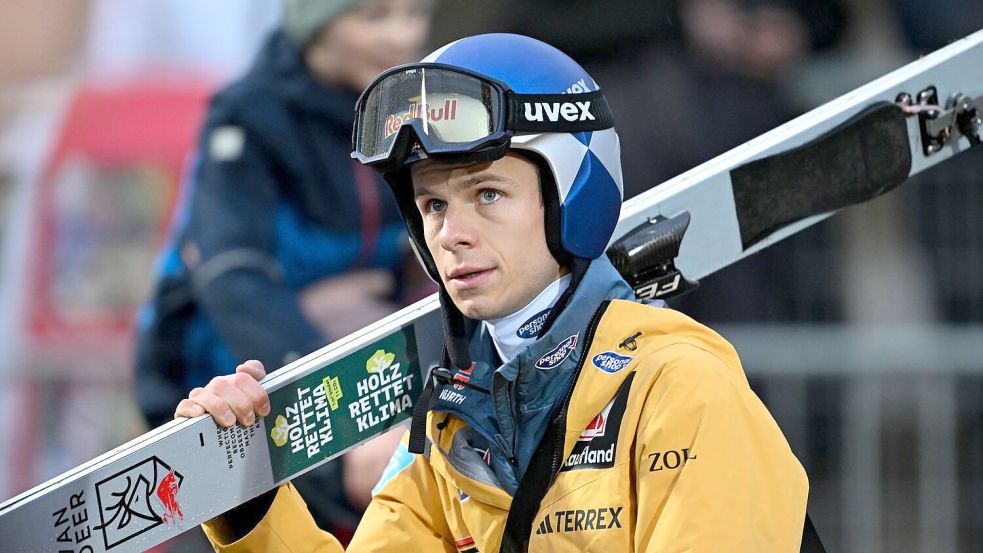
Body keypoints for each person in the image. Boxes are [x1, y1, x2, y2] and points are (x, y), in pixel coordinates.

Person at [176, 33, 809, 551]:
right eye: (432, 204)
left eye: (487, 194)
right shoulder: (448, 430)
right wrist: (249, 501)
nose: (452, 234)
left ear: (571, 193)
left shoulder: (679, 389)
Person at [137, 0, 434, 540]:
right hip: (224, 386)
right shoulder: (246, 118)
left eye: (415, 13)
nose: (402, 36)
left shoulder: (410, 112)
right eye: (374, 17)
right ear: (313, 22)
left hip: (353, 368)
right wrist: (338, 406)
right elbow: (233, 277)